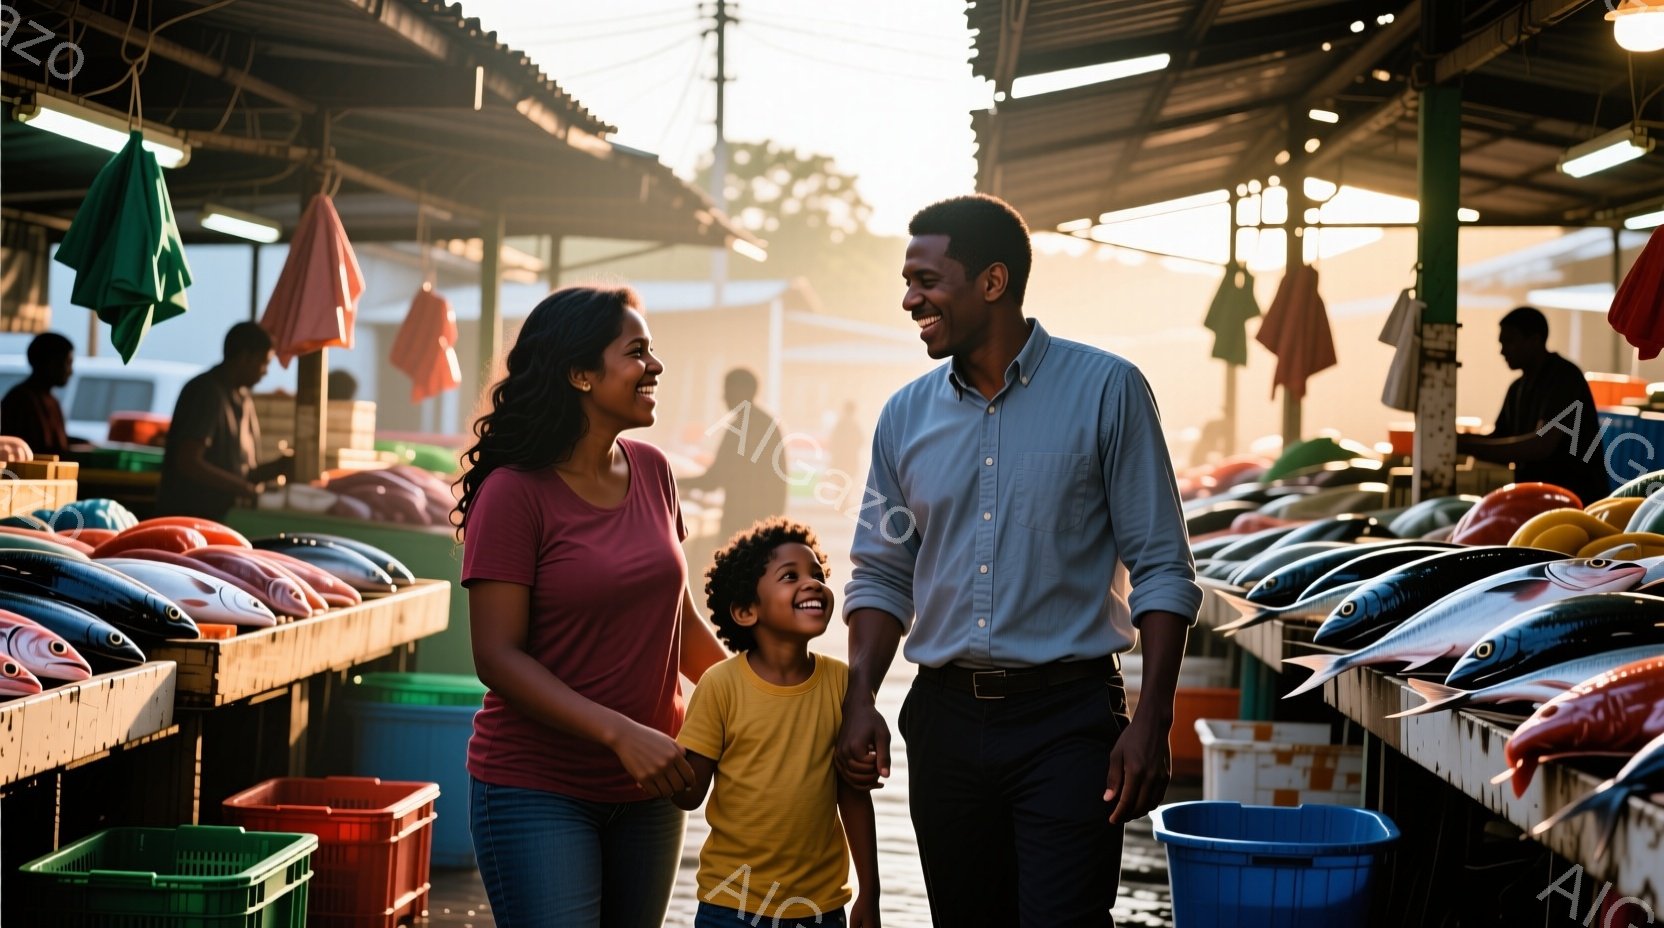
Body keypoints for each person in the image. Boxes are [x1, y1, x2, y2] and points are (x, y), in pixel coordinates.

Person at [835, 195, 1202, 928]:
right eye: (908, 282)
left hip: (1066, 721)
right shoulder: (902, 416)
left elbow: (1162, 565)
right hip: (941, 721)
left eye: (927, 280)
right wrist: (860, 696)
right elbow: (881, 572)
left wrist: (1153, 717)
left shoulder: (1108, 390)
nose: (911, 299)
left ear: (993, 282)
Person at [454, 285, 729, 928]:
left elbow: (678, 622)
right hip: (535, 790)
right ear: (580, 374)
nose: (655, 367)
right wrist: (619, 733)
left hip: (653, 789)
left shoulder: (655, 470)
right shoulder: (513, 494)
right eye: (636, 353)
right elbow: (496, 656)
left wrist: (763, 703)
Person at [672, 518, 880, 928]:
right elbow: (689, 795)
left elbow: (853, 794)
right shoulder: (720, 686)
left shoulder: (842, 684)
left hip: (820, 911)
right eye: (790, 576)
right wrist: (662, 762)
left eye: (817, 575)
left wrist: (869, 896)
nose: (812, 584)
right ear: (747, 611)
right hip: (729, 905)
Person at [1457, 306, 1611, 505]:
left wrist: (1465, 445)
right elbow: (1500, 439)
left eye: (1509, 342)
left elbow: (1541, 445)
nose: (1502, 351)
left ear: (1535, 340)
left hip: (1577, 501)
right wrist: (1459, 440)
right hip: (1541, 501)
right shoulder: (1517, 388)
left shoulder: (1564, 377)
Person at [155, 323, 292, 520]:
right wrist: (242, 488)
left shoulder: (243, 398)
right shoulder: (205, 392)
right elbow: (189, 461)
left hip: (224, 517)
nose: (265, 372)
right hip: (190, 518)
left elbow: (241, 471)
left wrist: (280, 466)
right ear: (245, 357)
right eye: (264, 363)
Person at [682, 368, 789, 543]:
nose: (723, 396)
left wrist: (674, 482)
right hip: (764, 528)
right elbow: (779, 481)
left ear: (743, 391)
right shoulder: (768, 425)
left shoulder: (739, 428)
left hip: (739, 526)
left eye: (727, 390)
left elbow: (713, 480)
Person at [1, 332, 85, 455]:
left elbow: (56, 444)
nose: (70, 371)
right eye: (67, 363)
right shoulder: (21, 400)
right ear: (50, 363)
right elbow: (32, 450)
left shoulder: (49, 400)